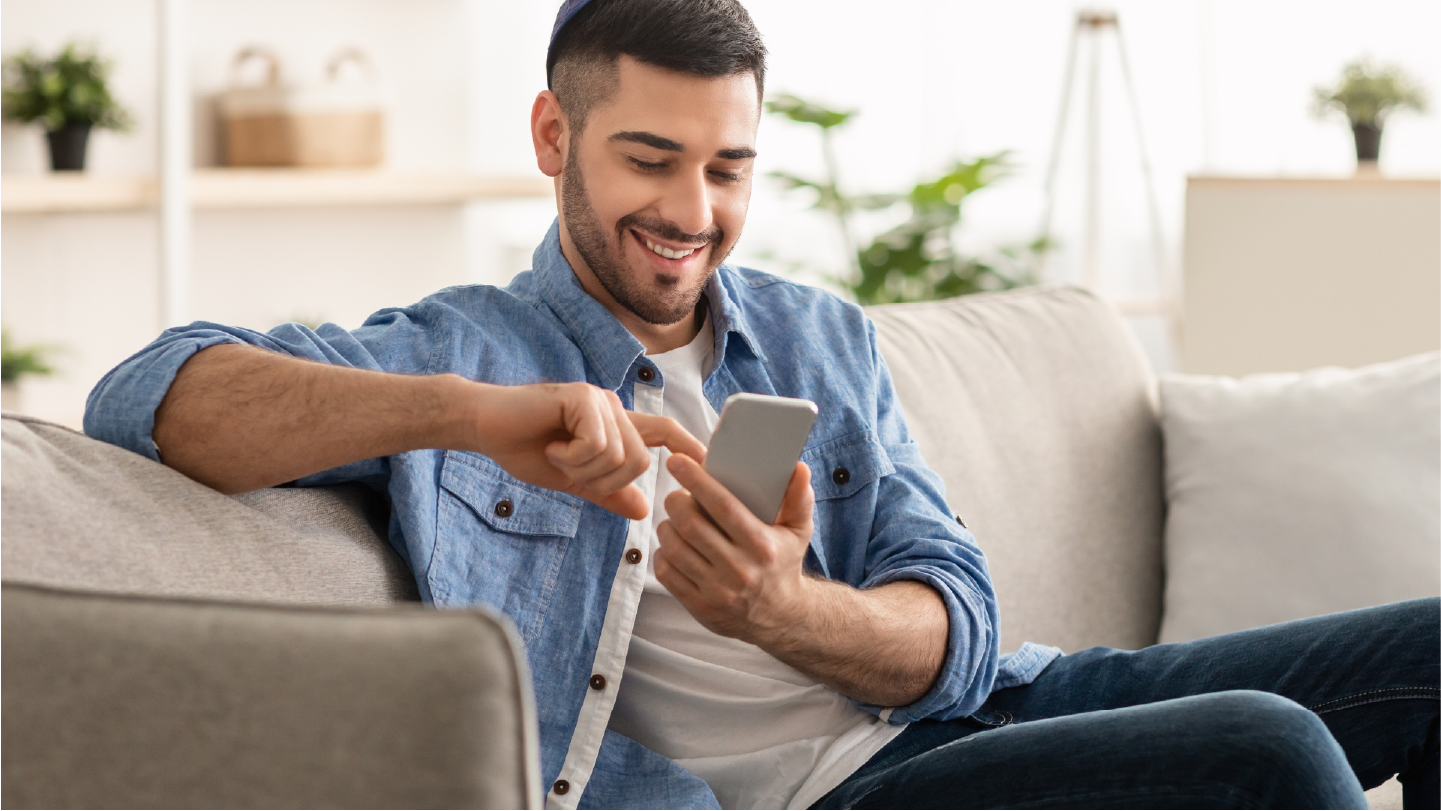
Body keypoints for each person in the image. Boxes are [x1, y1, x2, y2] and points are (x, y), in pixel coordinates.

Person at [85, 0, 1438, 808]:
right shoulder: (465, 353)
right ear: (554, 139)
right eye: (651, 159)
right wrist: (478, 418)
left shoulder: (811, 337)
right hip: (843, 795)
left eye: (729, 168)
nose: (693, 212)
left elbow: (954, 622)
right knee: (1272, 752)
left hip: (998, 712)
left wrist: (780, 608)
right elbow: (148, 394)